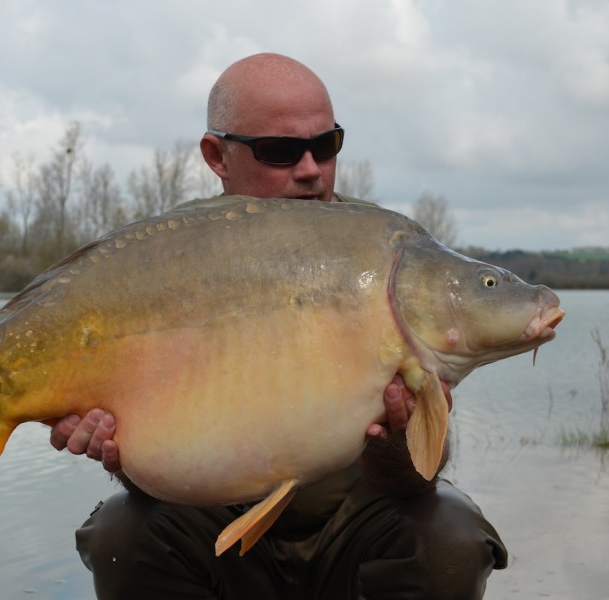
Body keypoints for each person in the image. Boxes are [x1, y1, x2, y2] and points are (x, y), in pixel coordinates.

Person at [49, 53, 508, 599]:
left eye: (327, 145)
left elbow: (417, 484)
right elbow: (154, 468)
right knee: (122, 530)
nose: (311, 168)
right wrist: (117, 450)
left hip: (354, 530)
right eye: (281, 151)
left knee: (450, 535)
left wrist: (396, 440)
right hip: (216, 522)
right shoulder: (168, 264)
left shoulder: (384, 257)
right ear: (217, 157)